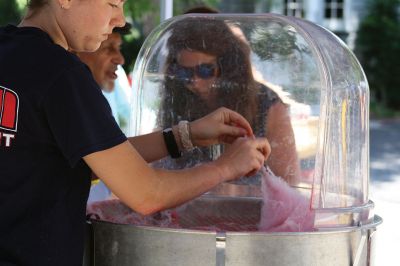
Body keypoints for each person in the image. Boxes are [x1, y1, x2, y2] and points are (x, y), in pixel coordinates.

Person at [0, 1, 271, 265]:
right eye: (112, 4)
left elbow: (91, 161)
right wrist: (226, 166)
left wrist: (185, 136)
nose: (120, 19)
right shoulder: (63, 75)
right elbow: (146, 194)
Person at [158, 16, 300, 185]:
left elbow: (288, 182)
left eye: (205, 70)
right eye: (184, 73)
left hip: (254, 208)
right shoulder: (178, 101)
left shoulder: (266, 104)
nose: (195, 82)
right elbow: (161, 166)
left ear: (227, 66)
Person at [76, 23, 131, 202]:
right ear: (75, 51)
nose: (120, 59)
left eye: (119, 48)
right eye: (108, 48)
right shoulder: (72, 101)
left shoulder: (93, 98)